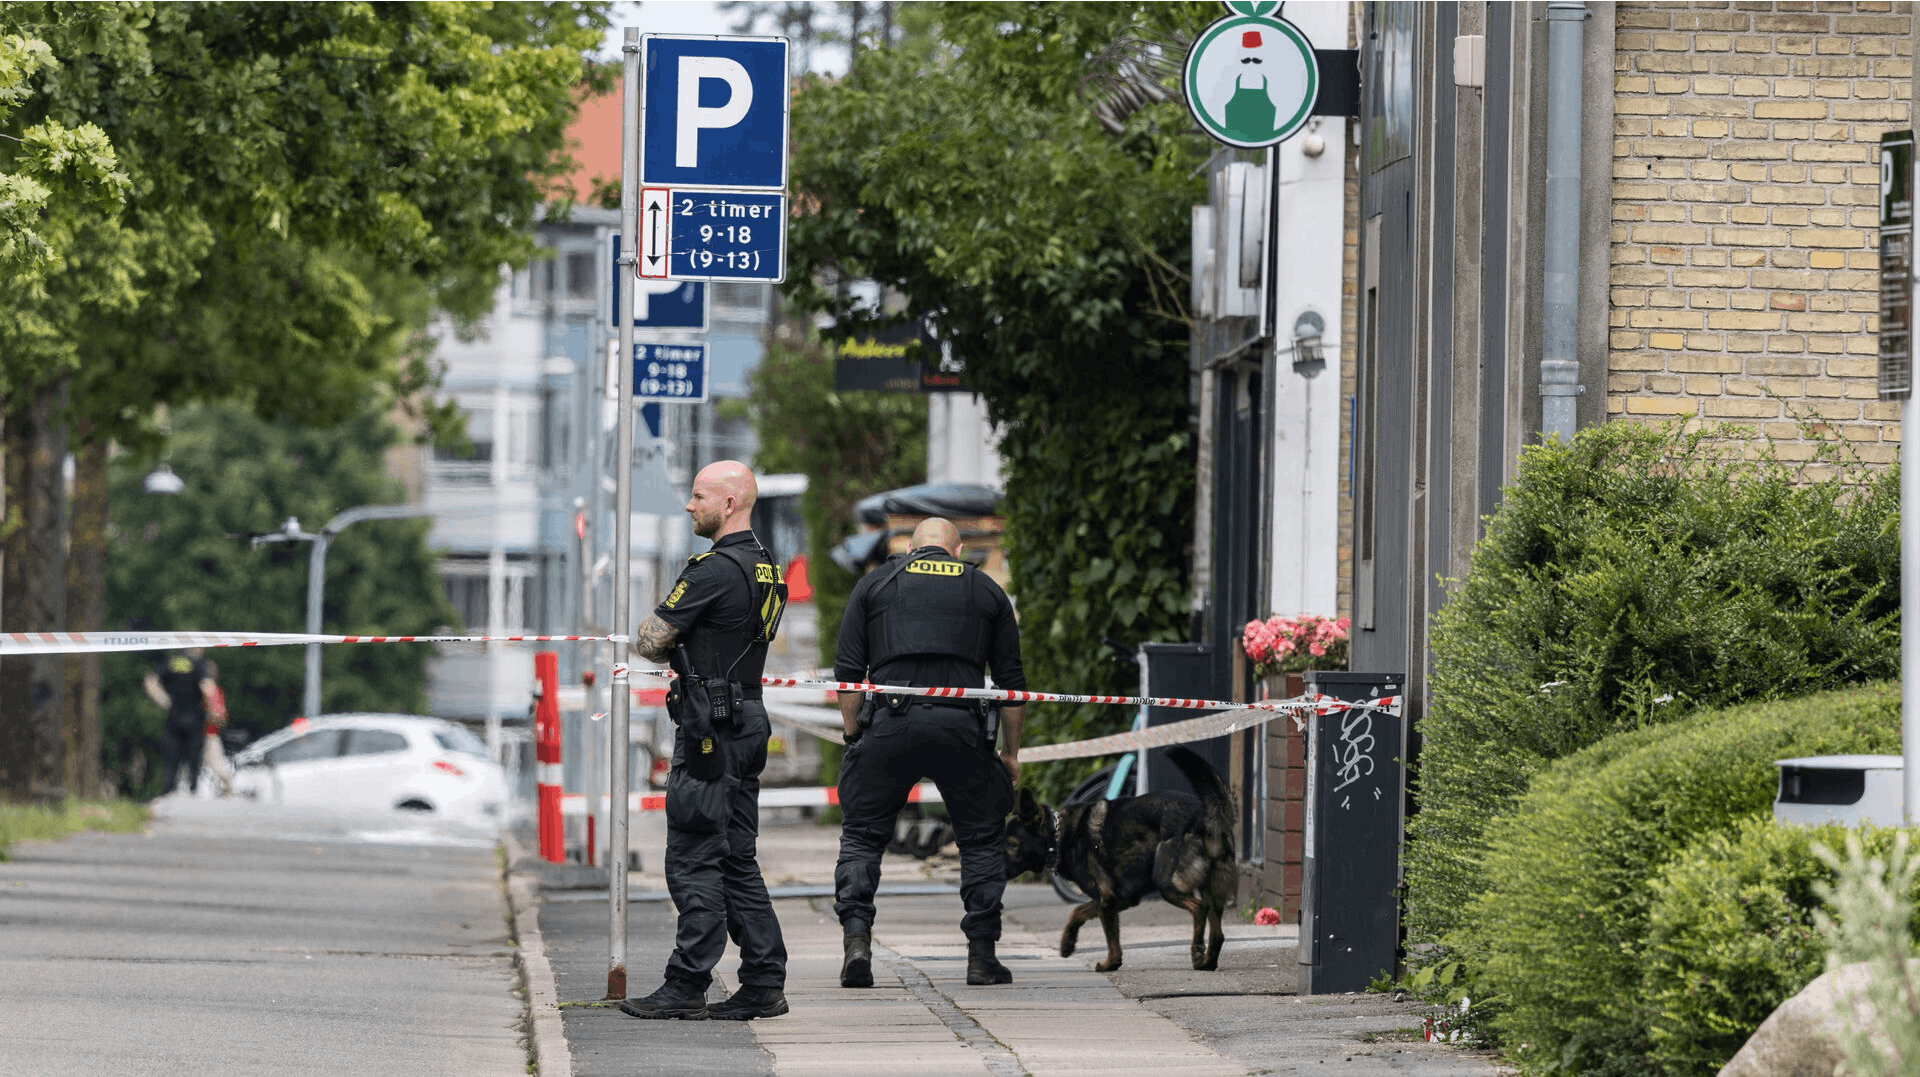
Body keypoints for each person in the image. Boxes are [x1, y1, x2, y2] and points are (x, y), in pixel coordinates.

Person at [618, 460, 790, 1022]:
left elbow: (650, 639)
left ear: (730, 503)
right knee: (737, 855)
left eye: (698, 496)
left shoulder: (713, 569)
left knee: (694, 856)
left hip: (711, 729)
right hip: (747, 718)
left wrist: (677, 641)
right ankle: (764, 981)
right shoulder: (767, 567)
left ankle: (688, 981)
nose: (690, 506)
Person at [832, 516, 1026, 988]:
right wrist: (1010, 752)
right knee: (981, 839)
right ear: (957, 551)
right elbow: (1011, 687)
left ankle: (857, 940)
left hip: (890, 726)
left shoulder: (874, 584)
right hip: (961, 727)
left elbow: (848, 675)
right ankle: (982, 956)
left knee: (861, 835)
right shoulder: (986, 591)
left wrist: (856, 733)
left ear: (910, 548)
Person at [143, 648, 218, 797]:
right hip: (195, 716)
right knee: (194, 757)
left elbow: (150, 681)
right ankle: (192, 789)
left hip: (175, 715)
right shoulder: (199, 664)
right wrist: (214, 709)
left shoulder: (171, 662)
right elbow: (207, 687)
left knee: (171, 757)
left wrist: (164, 701)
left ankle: (169, 791)